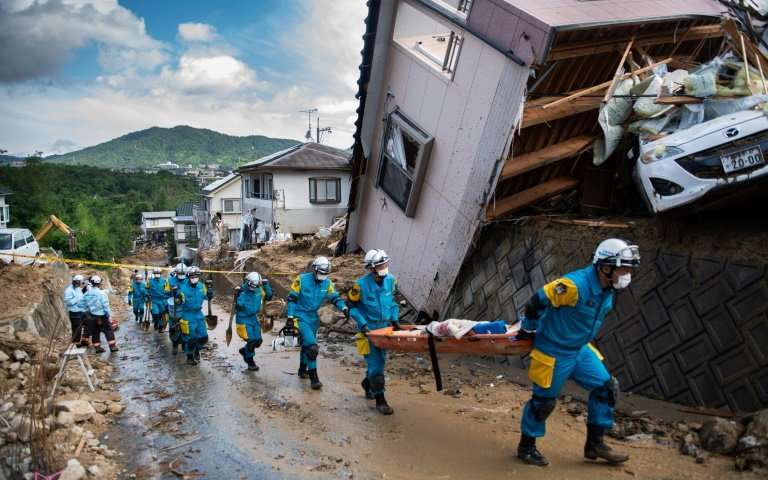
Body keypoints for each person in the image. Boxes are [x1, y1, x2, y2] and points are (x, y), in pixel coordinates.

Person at [515, 239, 640, 467]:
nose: (627, 274)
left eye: (630, 269)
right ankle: (526, 446)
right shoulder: (574, 286)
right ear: (606, 266)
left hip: (579, 350)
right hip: (553, 350)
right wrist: (528, 328)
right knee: (543, 402)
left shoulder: (608, 288)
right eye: (624, 268)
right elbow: (538, 300)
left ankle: (595, 444)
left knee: (606, 388)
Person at [348, 249, 399, 415]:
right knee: (376, 366)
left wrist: (395, 318)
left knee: (381, 361)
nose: (385, 267)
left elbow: (393, 302)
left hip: (385, 329)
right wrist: (363, 324)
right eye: (380, 265)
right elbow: (352, 308)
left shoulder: (391, 281)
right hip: (368, 331)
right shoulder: (360, 286)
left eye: (385, 264)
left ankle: (367, 383)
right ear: (371, 268)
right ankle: (381, 401)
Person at [286, 256, 348, 390]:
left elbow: (334, 297)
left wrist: (343, 307)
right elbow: (292, 298)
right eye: (320, 273)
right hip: (300, 316)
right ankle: (314, 378)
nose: (322, 276)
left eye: (325, 274)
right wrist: (290, 316)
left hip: (313, 318)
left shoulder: (327, 283)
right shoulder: (301, 280)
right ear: (314, 269)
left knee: (306, 346)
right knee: (312, 348)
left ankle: (302, 370)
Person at [174, 266, 212, 365]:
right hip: (187, 314)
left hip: (199, 314)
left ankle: (196, 349)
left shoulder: (201, 286)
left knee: (203, 337)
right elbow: (179, 300)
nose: (194, 278)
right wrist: (178, 299)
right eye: (192, 276)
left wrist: (210, 293)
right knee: (191, 338)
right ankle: (189, 356)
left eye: (196, 276)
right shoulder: (182, 287)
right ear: (188, 276)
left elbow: (206, 297)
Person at [235, 271, 273, 371]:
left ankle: (245, 351)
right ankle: (250, 361)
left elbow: (268, 296)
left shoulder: (258, 290)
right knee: (251, 341)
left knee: (258, 341)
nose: (254, 288)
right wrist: (237, 295)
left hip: (253, 318)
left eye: (256, 285)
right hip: (243, 319)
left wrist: (266, 286)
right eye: (252, 285)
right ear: (248, 282)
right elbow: (238, 306)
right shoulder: (242, 292)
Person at [84, 275, 118, 353]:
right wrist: (109, 316)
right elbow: (105, 306)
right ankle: (112, 347)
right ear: (99, 283)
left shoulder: (86, 294)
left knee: (95, 332)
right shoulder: (101, 293)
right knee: (108, 331)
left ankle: (97, 348)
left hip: (90, 316)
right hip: (101, 316)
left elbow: (83, 305)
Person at [165, 263, 187, 354]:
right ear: (176, 272)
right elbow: (165, 293)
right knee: (174, 327)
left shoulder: (188, 281)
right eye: (179, 273)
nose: (181, 276)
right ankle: (175, 344)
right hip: (173, 308)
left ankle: (184, 345)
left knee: (185, 327)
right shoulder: (170, 280)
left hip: (185, 308)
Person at [64, 274, 89, 346]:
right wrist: (77, 299)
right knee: (77, 328)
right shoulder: (68, 290)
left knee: (89, 322)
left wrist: (84, 290)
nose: (81, 284)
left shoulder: (78, 288)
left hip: (82, 310)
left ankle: (85, 339)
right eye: (80, 283)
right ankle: (76, 343)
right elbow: (68, 302)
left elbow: (81, 295)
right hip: (74, 312)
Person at [148, 267, 168, 332]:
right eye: (156, 273)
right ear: (154, 274)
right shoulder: (150, 281)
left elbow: (167, 290)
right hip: (154, 300)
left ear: (160, 274)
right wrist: (147, 295)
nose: (157, 274)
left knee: (161, 314)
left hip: (163, 300)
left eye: (158, 273)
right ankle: (156, 322)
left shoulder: (164, 281)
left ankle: (160, 326)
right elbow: (146, 289)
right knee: (155, 313)